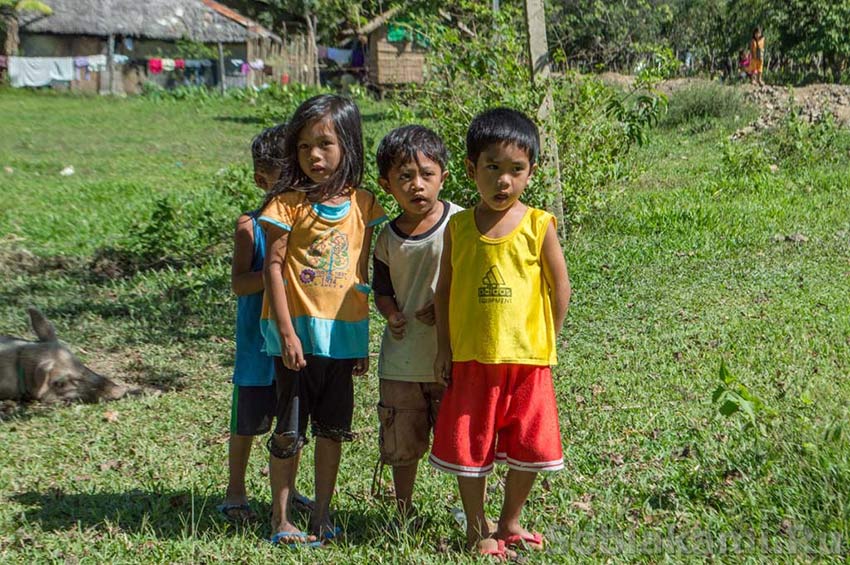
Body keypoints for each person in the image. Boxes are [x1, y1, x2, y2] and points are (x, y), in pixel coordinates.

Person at [429, 108, 571, 560]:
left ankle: (509, 520)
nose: (503, 181)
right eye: (493, 168)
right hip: (472, 358)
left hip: (527, 360)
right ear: (472, 169)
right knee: (471, 448)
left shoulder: (538, 225)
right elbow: (444, 290)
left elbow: (559, 285)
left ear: (531, 172)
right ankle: (476, 529)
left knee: (530, 444)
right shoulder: (458, 228)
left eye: (516, 170)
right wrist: (444, 349)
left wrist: (550, 339)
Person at [258, 94, 387, 546]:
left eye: (326, 144)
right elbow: (273, 267)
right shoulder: (286, 204)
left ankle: (321, 515)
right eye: (304, 146)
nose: (314, 155)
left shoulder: (365, 206)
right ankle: (281, 518)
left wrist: (362, 343)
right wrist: (287, 331)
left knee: (332, 431)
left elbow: (362, 274)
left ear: (348, 145)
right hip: (295, 340)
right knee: (289, 432)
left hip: (343, 340)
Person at [219, 125, 312, 522]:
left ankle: (289, 491)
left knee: (292, 419)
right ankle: (235, 491)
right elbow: (240, 284)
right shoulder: (250, 226)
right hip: (257, 346)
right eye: (284, 176)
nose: (295, 183)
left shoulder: (308, 226)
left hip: (293, 341)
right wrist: (276, 269)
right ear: (262, 180)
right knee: (247, 422)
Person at [372, 125, 462, 518]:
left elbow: (474, 280)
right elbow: (382, 289)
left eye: (426, 174)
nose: (417, 185)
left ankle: (469, 509)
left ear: (444, 175)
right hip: (402, 362)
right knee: (401, 441)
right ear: (386, 184)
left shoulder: (462, 223)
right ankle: (403, 510)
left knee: (462, 439)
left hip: (454, 358)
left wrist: (448, 305)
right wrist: (391, 314)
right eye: (404, 177)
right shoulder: (386, 238)